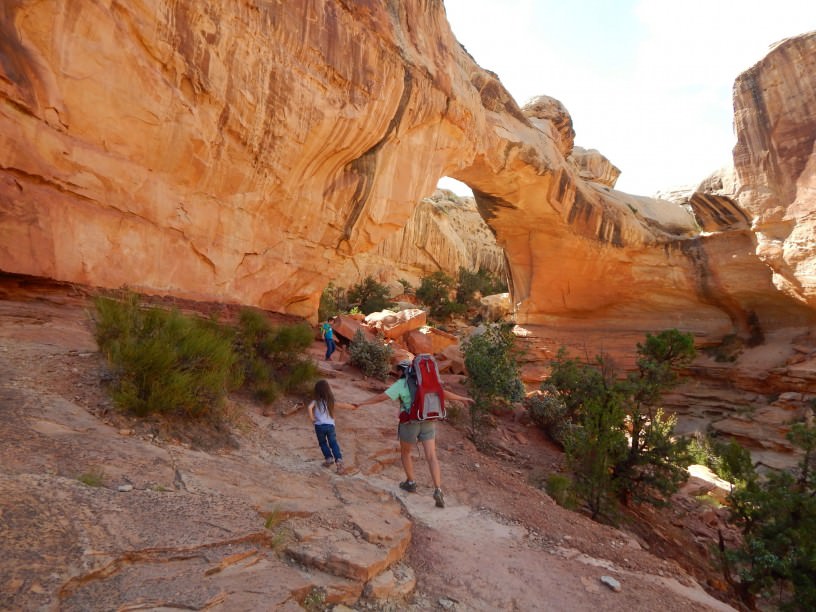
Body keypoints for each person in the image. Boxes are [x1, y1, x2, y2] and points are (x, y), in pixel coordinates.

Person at [353, 360, 473, 508]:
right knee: (431, 456)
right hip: (428, 421)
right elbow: (442, 393)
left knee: (406, 453)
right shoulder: (427, 383)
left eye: (398, 370)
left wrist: (361, 403)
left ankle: (411, 483)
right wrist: (462, 398)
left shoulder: (402, 384)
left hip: (410, 423)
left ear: (403, 371)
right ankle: (438, 490)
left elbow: (381, 397)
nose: (397, 373)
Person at [307, 379, 348, 474]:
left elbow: (309, 407)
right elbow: (342, 405)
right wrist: (355, 406)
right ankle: (339, 462)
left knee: (322, 443)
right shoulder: (331, 401)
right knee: (333, 443)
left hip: (319, 426)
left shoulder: (316, 401)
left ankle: (329, 458)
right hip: (330, 426)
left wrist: (312, 419)